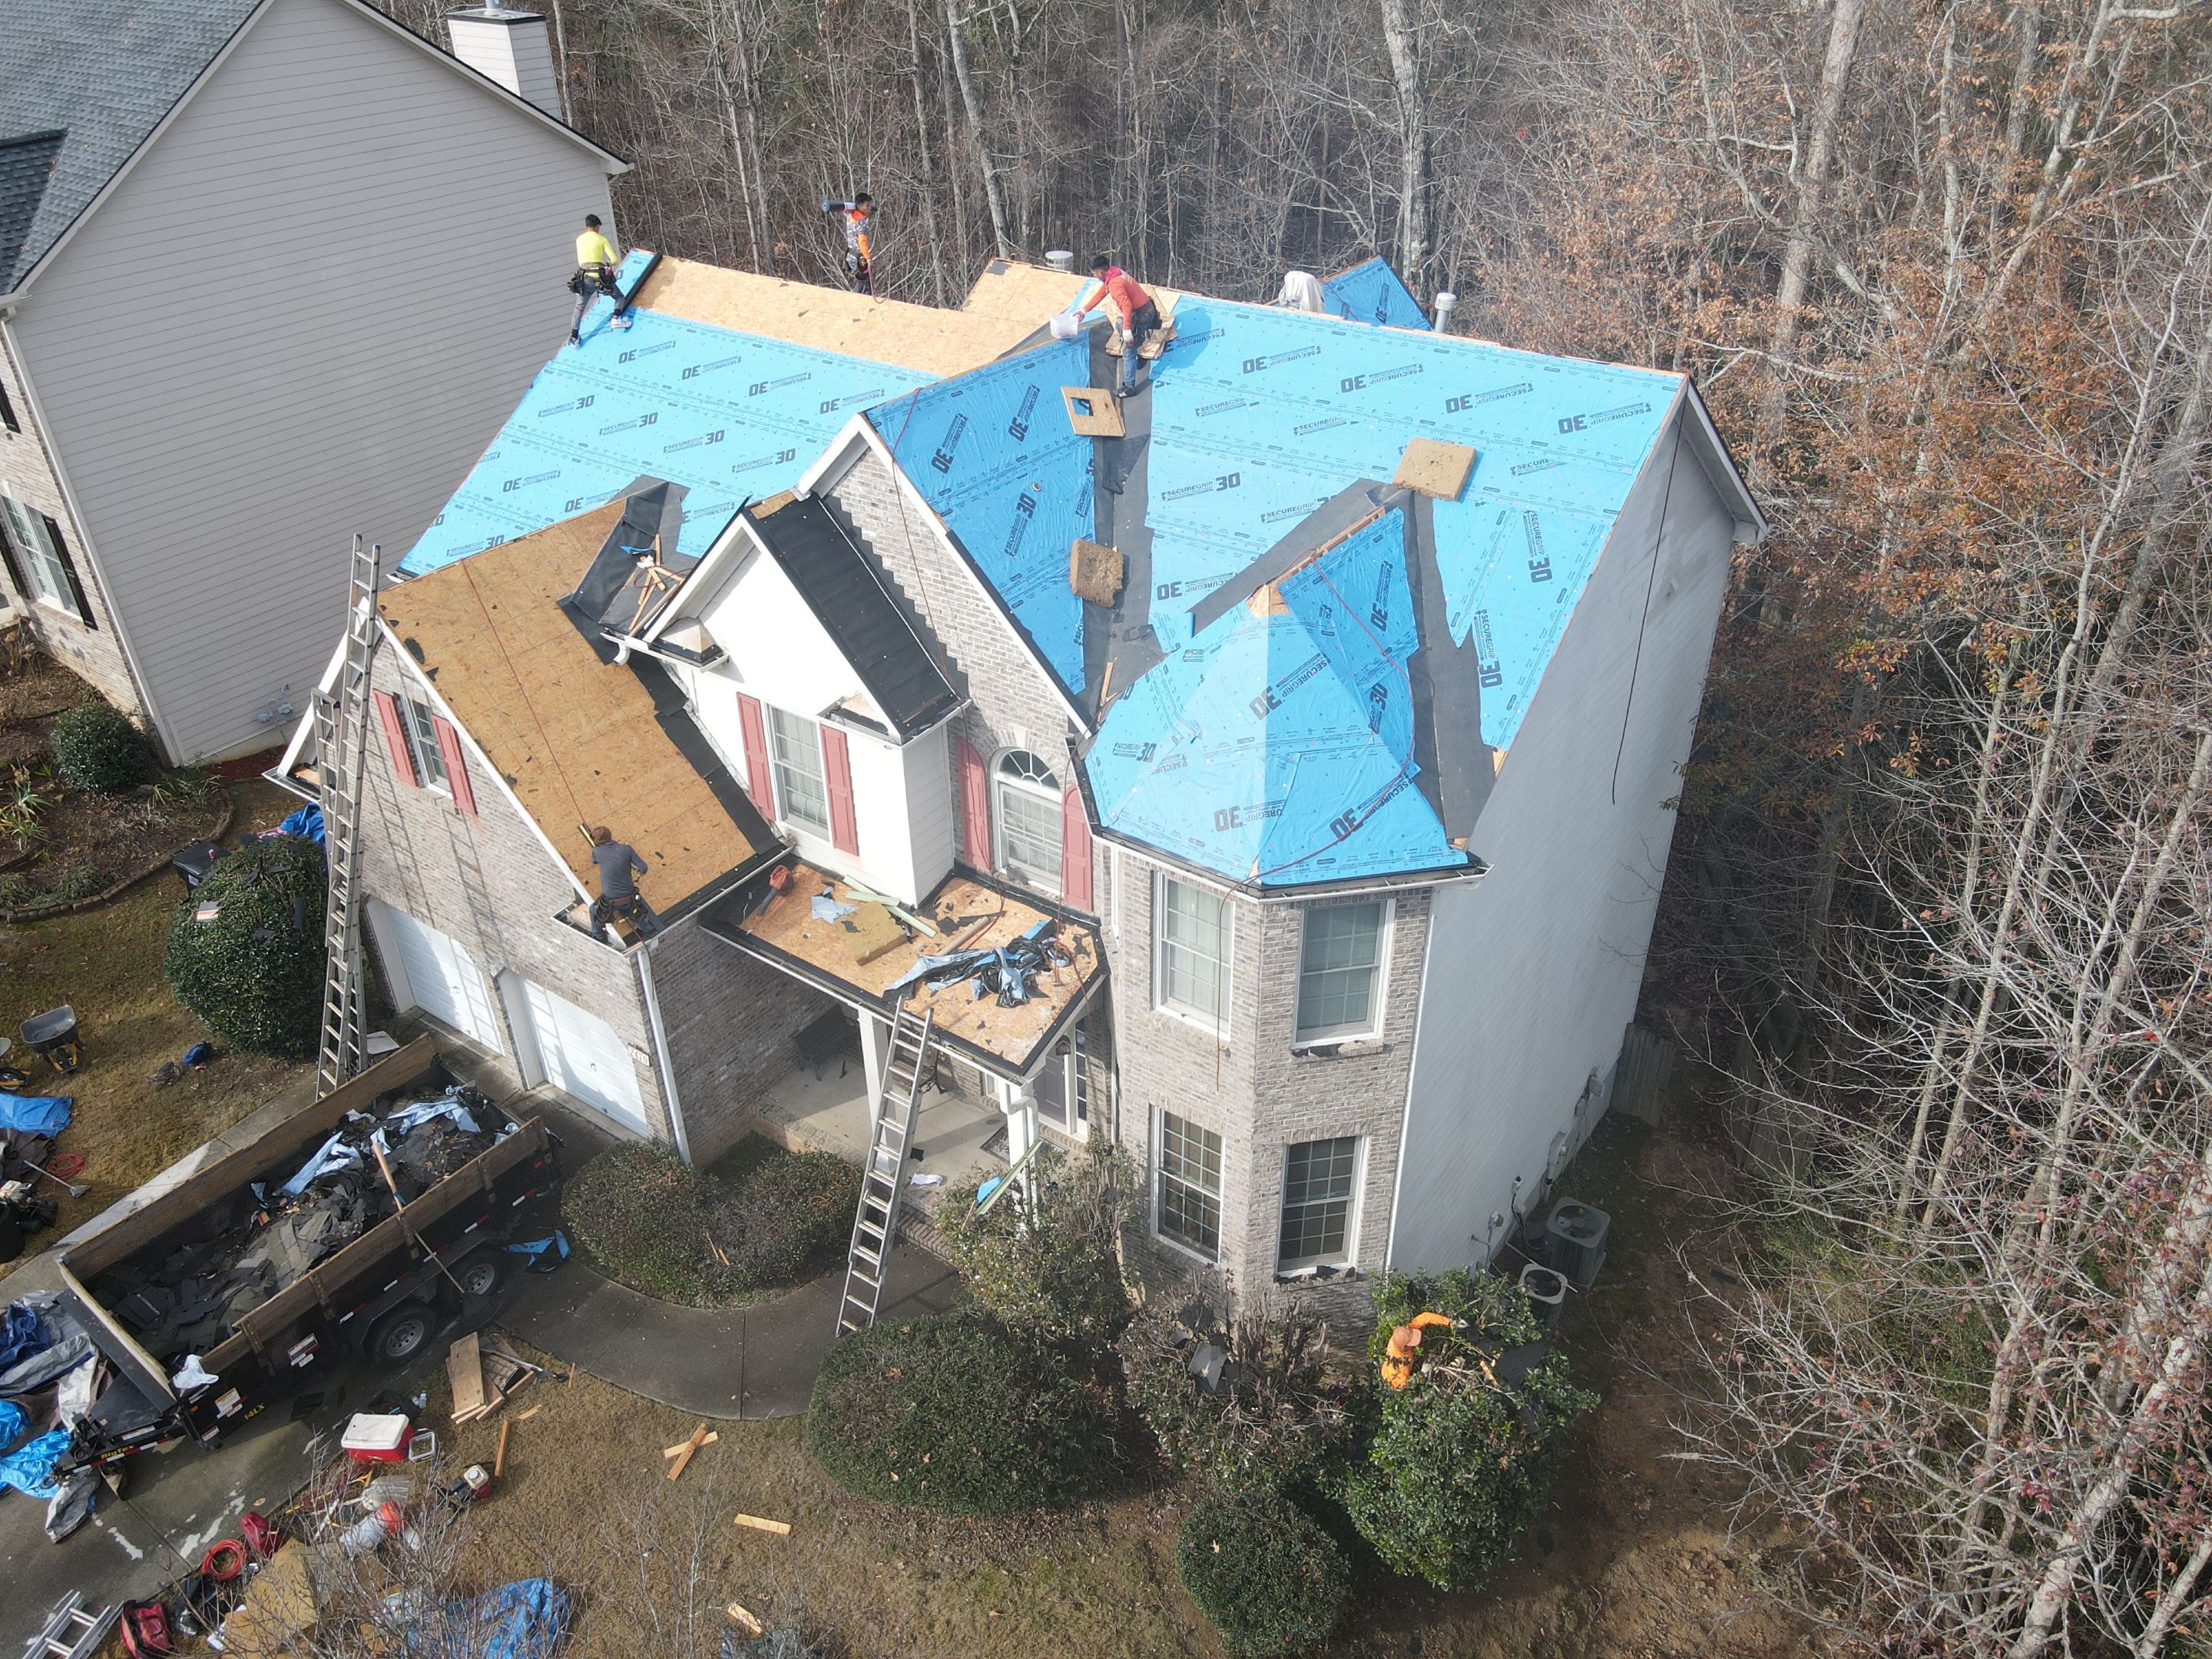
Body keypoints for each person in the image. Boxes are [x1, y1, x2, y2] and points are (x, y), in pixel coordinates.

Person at [1075, 255, 1162, 395]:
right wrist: (1083, 310)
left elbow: (1126, 306)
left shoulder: (1115, 284)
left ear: (1101, 272)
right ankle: (1137, 341)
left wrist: (1128, 330)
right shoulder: (1115, 273)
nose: (1095, 276)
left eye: (1094, 273)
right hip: (1145, 309)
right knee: (1120, 324)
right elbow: (1101, 293)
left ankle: (1129, 387)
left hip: (1142, 315)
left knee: (1128, 351)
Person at [568, 214, 634, 346]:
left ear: (586, 226)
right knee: (619, 296)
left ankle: (574, 338)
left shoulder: (579, 240)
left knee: (579, 308)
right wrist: (607, 264)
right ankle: (616, 318)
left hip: (583, 278)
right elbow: (614, 260)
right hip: (600, 278)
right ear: (597, 226)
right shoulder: (601, 239)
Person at [588, 825, 662, 939]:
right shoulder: (626, 849)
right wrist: (638, 873)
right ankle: (648, 930)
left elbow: (594, 861)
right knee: (633, 912)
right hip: (629, 898)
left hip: (610, 902)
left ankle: (599, 936)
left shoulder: (597, 852)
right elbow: (644, 868)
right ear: (610, 835)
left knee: (593, 910)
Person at [820, 195, 874, 294]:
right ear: (861, 207)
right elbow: (862, 242)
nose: (870, 208)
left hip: (850, 256)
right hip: (860, 258)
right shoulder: (862, 223)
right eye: (867, 206)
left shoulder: (851, 217)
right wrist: (868, 258)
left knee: (861, 280)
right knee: (866, 283)